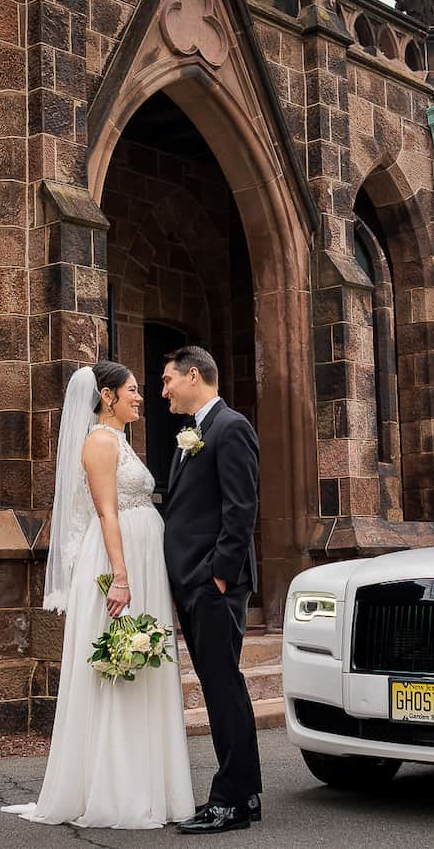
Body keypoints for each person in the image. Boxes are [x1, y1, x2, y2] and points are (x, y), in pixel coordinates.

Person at [2, 361, 194, 829]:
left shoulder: (121, 441)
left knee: (142, 665)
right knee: (121, 667)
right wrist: (123, 578)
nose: (139, 397)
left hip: (141, 562)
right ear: (107, 396)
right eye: (132, 390)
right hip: (118, 563)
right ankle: (117, 790)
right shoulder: (99, 443)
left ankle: (150, 786)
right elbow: (108, 514)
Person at [161, 345, 263, 835]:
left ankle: (232, 802)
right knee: (221, 690)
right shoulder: (193, 433)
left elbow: (241, 507)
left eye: (167, 381)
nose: (164, 391)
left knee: (224, 690)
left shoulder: (231, 426)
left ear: (193, 375)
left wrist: (217, 574)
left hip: (213, 585)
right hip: (195, 583)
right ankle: (245, 792)